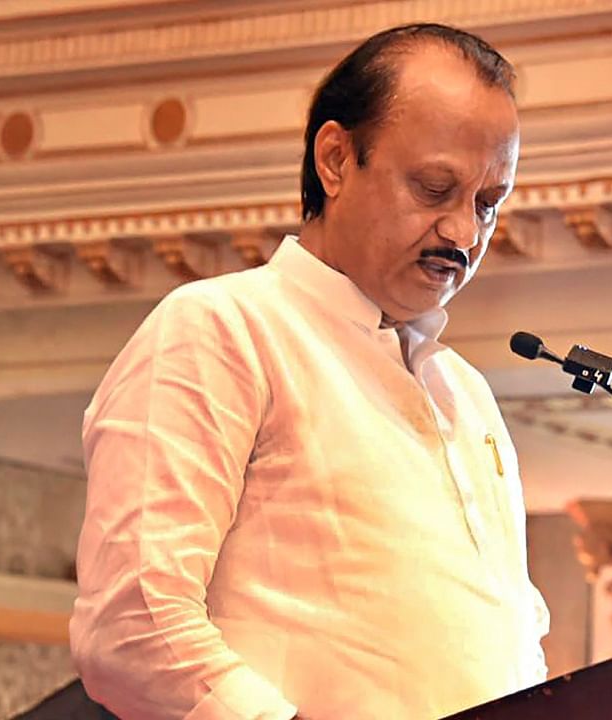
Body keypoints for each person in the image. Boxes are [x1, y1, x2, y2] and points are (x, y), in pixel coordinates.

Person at [70, 23, 549, 720]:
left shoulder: (467, 394)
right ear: (335, 159)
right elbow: (133, 624)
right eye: (435, 187)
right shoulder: (224, 329)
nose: (465, 235)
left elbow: (516, 644)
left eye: (487, 203)